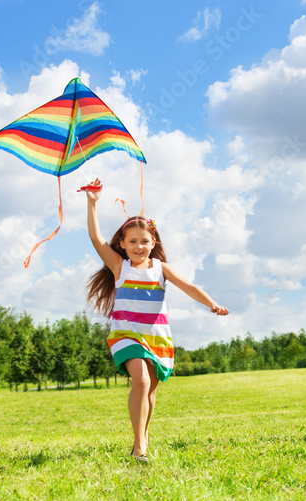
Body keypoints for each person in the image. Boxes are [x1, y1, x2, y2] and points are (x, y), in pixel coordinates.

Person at [82, 178, 229, 463]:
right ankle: (140, 447)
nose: (139, 246)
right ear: (122, 244)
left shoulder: (161, 268)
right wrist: (92, 204)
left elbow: (189, 287)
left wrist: (212, 304)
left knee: (150, 390)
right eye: (133, 241)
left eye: (144, 241)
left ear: (154, 243)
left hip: (157, 338)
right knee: (140, 379)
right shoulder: (119, 266)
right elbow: (96, 239)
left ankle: (143, 436)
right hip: (127, 336)